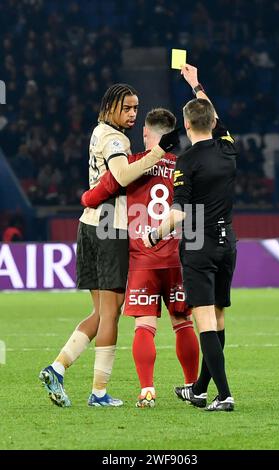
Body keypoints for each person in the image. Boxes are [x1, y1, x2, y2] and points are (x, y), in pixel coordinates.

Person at [39, 84, 179, 408]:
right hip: (109, 229)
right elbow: (121, 175)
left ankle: (57, 368)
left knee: (101, 312)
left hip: (89, 225)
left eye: (136, 108)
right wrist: (158, 153)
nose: (133, 114)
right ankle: (99, 393)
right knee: (110, 315)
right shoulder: (116, 139)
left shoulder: (98, 131)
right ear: (113, 106)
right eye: (128, 108)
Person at [81, 108, 199, 408]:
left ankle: (147, 389)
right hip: (175, 258)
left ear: (147, 133)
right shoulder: (183, 166)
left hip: (142, 260)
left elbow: (96, 194)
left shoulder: (132, 164)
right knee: (183, 321)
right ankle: (191, 386)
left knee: (144, 325)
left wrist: (85, 199)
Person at [144, 64, 237, 412]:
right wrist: (196, 85)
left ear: (185, 126)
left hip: (199, 246)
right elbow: (212, 115)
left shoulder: (186, 161)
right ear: (213, 122)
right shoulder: (229, 149)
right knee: (218, 316)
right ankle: (199, 389)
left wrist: (154, 233)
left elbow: (180, 214)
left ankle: (224, 395)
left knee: (204, 321)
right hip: (229, 244)